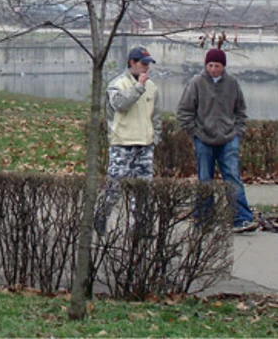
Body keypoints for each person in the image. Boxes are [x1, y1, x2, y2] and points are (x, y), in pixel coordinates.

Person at [176, 48, 257, 234]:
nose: (213, 69)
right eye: (210, 65)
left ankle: (242, 218)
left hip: (229, 137)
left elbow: (241, 111)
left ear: (223, 66)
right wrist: (194, 132)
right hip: (203, 138)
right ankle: (204, 219)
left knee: (232, 177)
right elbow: (184, 111)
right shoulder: (196, 83)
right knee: (205, 179)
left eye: (217, 66)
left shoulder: (232, 83)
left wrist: (238, 131)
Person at [94, 46, 161, 236]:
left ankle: (139, 226)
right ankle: (101, 217)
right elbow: (121, 105)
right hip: (122, 143)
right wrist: (138, 86)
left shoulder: (152, 87)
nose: (147, 68)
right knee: (114, 187)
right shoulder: (117, 84)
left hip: (145, 144)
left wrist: (154, 137)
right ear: (132, 63)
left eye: (149, 64)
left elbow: (156, 116)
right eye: (143, 64)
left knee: (143, 190)